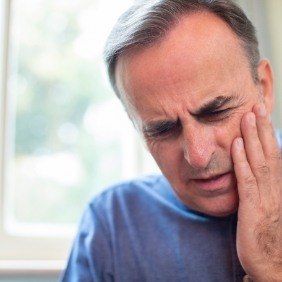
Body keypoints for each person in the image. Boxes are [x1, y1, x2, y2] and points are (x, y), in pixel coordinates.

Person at [61, 0, 282, 281]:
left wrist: (272, 266)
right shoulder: (111, 225)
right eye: (163, 129)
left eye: (216, 111)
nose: (199, 156)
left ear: (263, 87)